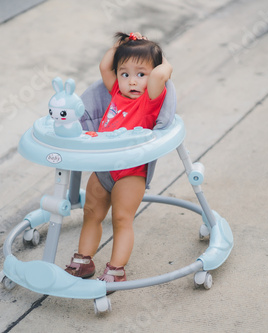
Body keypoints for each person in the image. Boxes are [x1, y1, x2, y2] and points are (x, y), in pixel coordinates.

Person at [65, 32, 173, 284]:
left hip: (131, 171)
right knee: (92, 213)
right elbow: (105, 65)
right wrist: (122, 44)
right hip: (104, 168)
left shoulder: (149, 100)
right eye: (125, 74)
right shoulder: (116, 93)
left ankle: (116, 270)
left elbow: (160, 74)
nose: (132, 81)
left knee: (122, 219)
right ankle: (84, 259)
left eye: (140, 74)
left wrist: (161, 59)